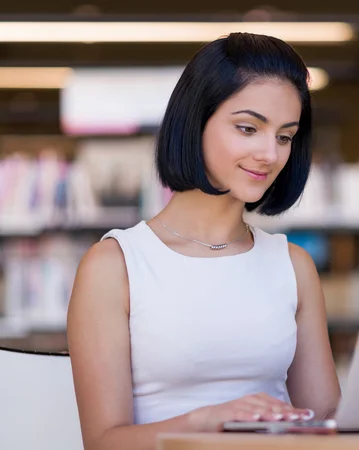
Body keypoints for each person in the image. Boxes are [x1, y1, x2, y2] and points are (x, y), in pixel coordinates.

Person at [67, 32, 341, 450]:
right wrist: (210, 421)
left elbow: (325, 421)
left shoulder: (293, 265)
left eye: (285, 136)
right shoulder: (115, 265)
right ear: (196, 121)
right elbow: (104, 443)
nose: (270, 154)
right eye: (248, 128)